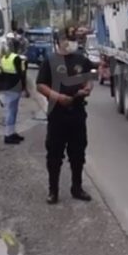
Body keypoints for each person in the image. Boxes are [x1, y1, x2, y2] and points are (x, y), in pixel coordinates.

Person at [36, 27, 94, 204]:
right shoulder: (50, 60)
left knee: (78, 153)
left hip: (77, 112)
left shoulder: (81, 60)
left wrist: (86, 89)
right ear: (59, 41)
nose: (71, 42)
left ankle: (77, 187)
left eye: (73, 39)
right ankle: (53, 191)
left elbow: (88, 80)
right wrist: (58, 97)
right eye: (67, 39)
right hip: (57, 113)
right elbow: (40, 85)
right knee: (54, 154)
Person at [1, 33, 29, 144]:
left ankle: (12, 133)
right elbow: (21, 74)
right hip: (15, 88)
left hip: (7, 86)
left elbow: (2, 73)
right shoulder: (16, 58)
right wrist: (24, 88)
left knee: (12, 111)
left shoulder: (4, 58)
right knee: (11, 112)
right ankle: (8, 135)